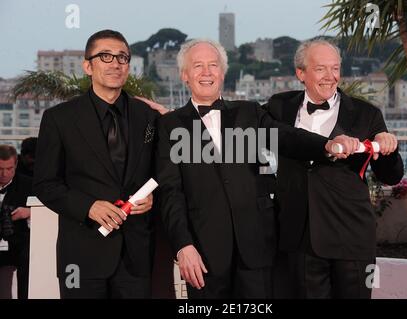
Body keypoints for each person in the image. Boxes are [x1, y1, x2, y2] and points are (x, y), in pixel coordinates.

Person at [154, 38, 356, 299]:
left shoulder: (249, 112)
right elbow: (170, 192)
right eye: (198, 66)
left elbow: (286, 136)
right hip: (204, 253)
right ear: (184, 75)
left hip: (257, 247)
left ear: (222, 72)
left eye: (213, 65)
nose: (207, 72)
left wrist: (327, 145)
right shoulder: (170, 125)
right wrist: (183, 245)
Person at [265, 39, 404, 298]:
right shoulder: (279, 106)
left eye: (335, 68)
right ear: (301, 73)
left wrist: (388, 149)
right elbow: (262, 132)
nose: (330, 77)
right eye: (320, 69)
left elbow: (391, 175)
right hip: (298, 240)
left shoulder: (367, 113)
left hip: (352, 238)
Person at [33, 30, 159, 299]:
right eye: (106, 56)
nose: (115, 63)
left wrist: (153, 199)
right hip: (81, 257)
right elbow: (45, 183)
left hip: (136, 257)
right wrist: (88, 207)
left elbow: (163, 172)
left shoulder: (147, 116)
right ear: (88, 66)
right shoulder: (59, 118)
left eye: (122, 57)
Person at [0, 144, 32, 299]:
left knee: (29, 256)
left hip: (19, 242)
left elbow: (48, 210)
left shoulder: (29, 184)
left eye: (9, 169)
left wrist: (29, 212)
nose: (4, 174)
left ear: (16, 164)